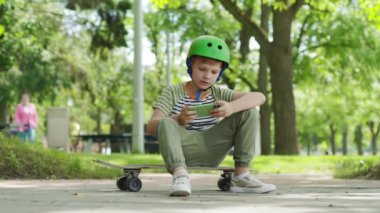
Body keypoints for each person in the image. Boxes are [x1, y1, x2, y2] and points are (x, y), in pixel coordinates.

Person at [146, 35, 276, 197]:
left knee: (249, 110)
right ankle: (180, 176)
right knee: (165, 122)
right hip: (182, 150)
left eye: (214, 72)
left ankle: (241, 177)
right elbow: (151, 127)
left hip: (214, 148)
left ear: (220, 73)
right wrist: (178, 119)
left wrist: (231, 107)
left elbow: (260, 97)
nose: (207, 76)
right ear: (190, 66)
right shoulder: (173, 92)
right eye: (202, 69)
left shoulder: (219, 93)